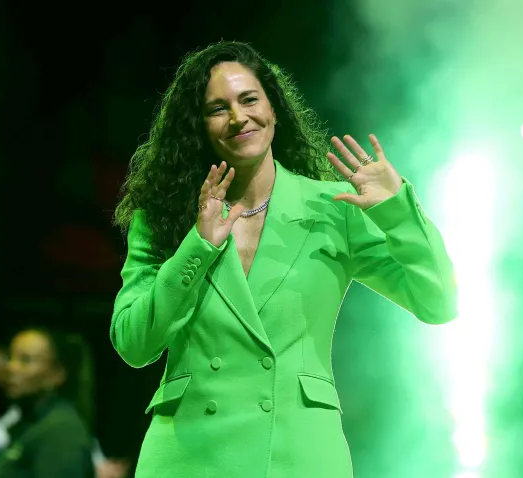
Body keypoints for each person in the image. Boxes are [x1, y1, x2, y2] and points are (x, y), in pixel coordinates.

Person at [111, 41, 458, 477]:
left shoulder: (334, 207)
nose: (238, 116)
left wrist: (397, 211)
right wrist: (196, 245)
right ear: (197, 126)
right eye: (218, 108)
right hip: (188, 456)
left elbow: (439, 301)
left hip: (299, 453)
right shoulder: (164, 216)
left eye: (249, 99)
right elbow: (133, 344)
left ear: (274, 108)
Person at [0, 328, 96, 478]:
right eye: (9, 357)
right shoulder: (26, 423)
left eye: (25, 360)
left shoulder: (61, 431)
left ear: (56, 374)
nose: (10, 367)